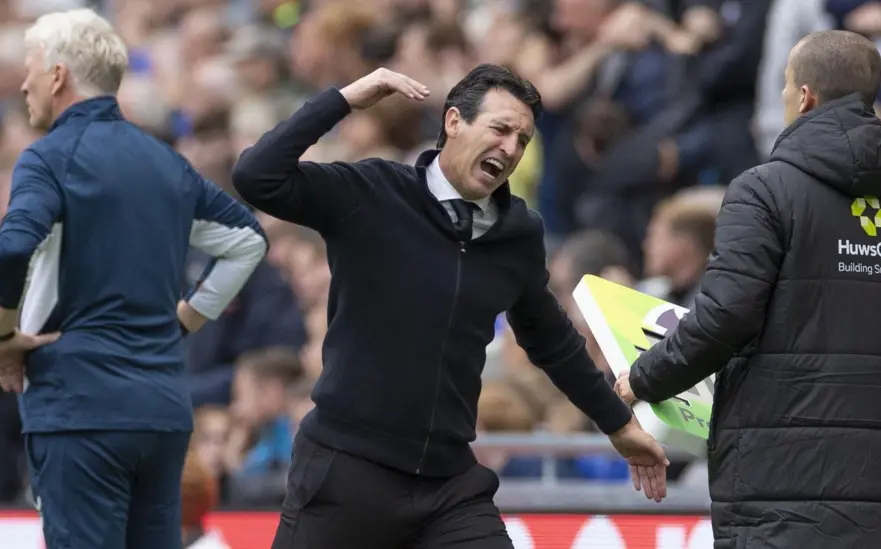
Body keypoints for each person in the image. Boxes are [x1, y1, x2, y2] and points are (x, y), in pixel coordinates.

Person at [232, 63, 670, 549]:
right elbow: (257, 177)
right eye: (500, 128)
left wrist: (618, 423)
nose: (510, 148)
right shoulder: (373, 191)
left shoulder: (518, 233)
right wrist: (344, 99)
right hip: (347, 472)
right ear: (453, 122)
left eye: (522, 140)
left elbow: (552, 341)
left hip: (448, 486)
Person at [615, 30, 881, 549]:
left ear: (805, 96)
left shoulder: (762, 190)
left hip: (780, 496)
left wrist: (642, 379)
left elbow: (726, 315)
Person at [0, 9, 267, 549]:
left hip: (79, 409)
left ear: (57, 75)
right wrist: (187, 319)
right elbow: (249, 240)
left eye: (30, 67)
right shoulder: (167, 163)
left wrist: (5, 338)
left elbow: (11, 248)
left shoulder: (48, 159)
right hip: (162, 411)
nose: (23, 82)